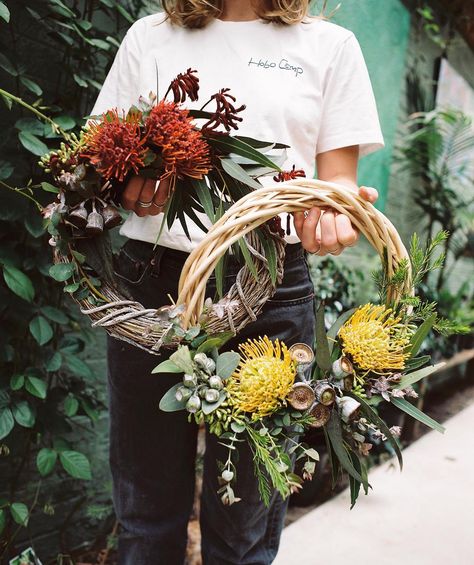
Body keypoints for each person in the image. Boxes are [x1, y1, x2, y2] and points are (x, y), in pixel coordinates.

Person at [90, 1, 384, 563]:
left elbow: (338, 181)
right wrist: (128, 182)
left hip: (269, 286)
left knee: (243, 526)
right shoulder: (150, 36)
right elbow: (106, 157)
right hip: (153, 282)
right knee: (146, 514)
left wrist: (332, 215)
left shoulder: (330, 46)